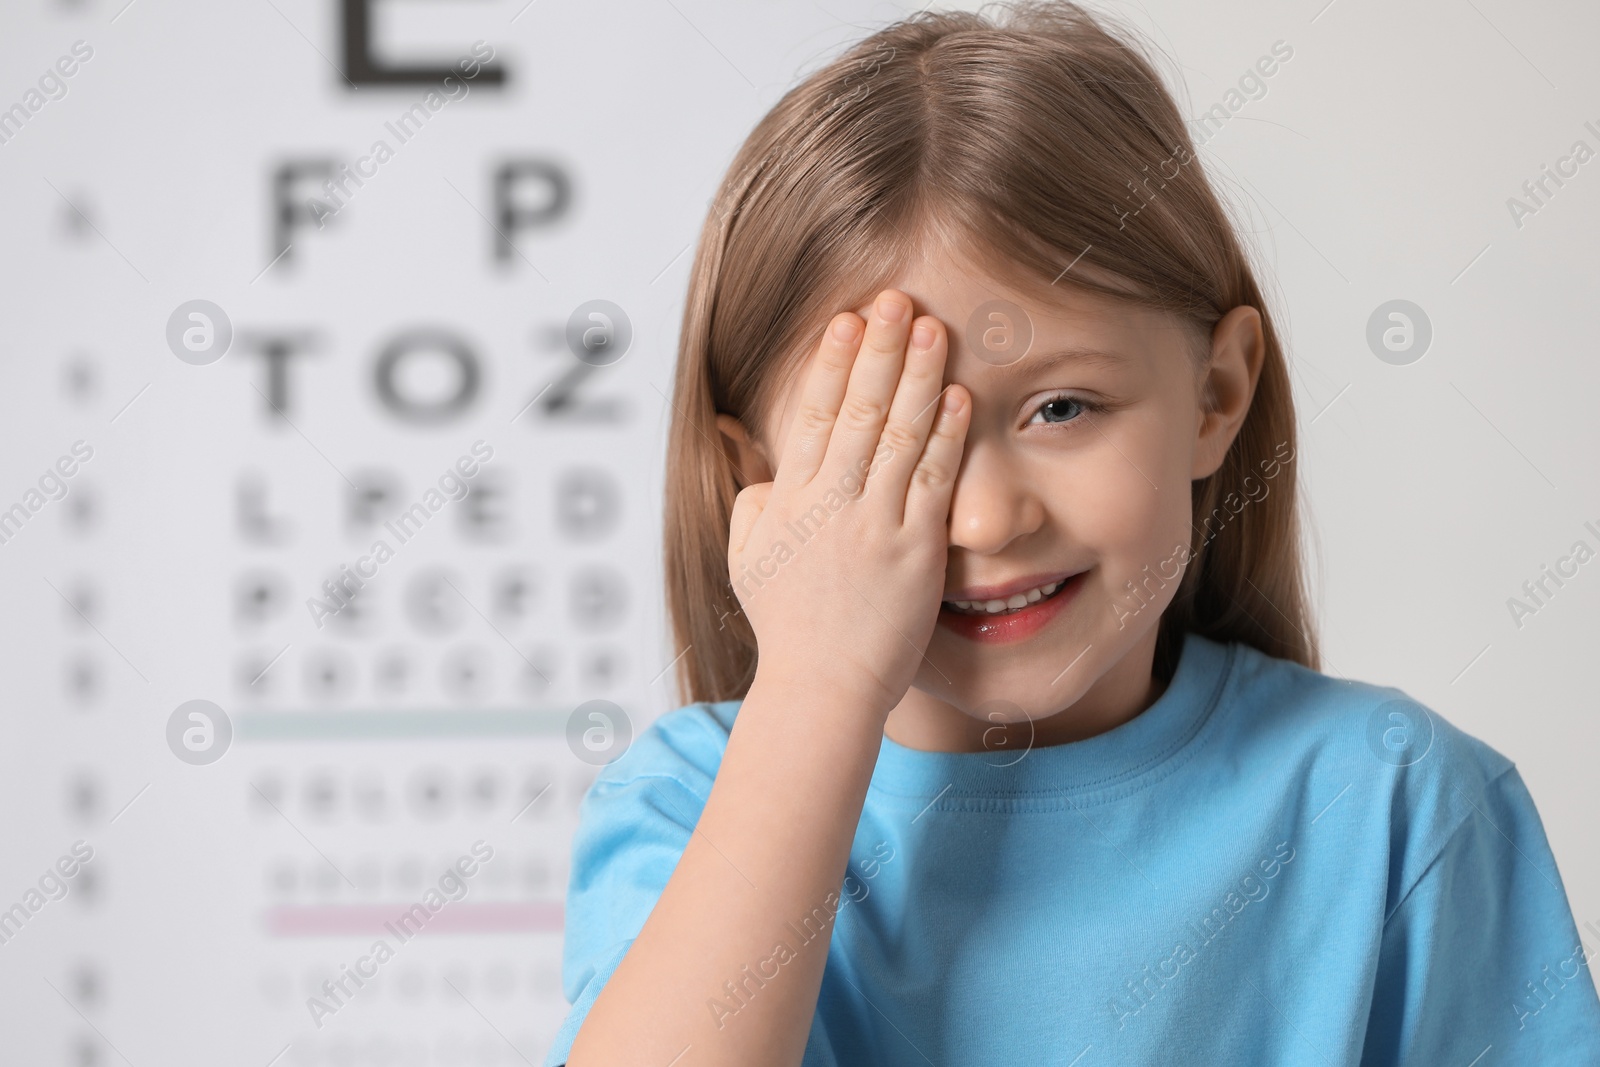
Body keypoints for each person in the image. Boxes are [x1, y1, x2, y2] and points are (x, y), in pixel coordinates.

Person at [545, 3, 1600, 1063]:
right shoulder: (685, 804)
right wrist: (818, 680)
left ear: (1214, 394)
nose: (988, 515)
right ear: (759, 483)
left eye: (1062, 408)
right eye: (897, 443)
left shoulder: (1394, 800)